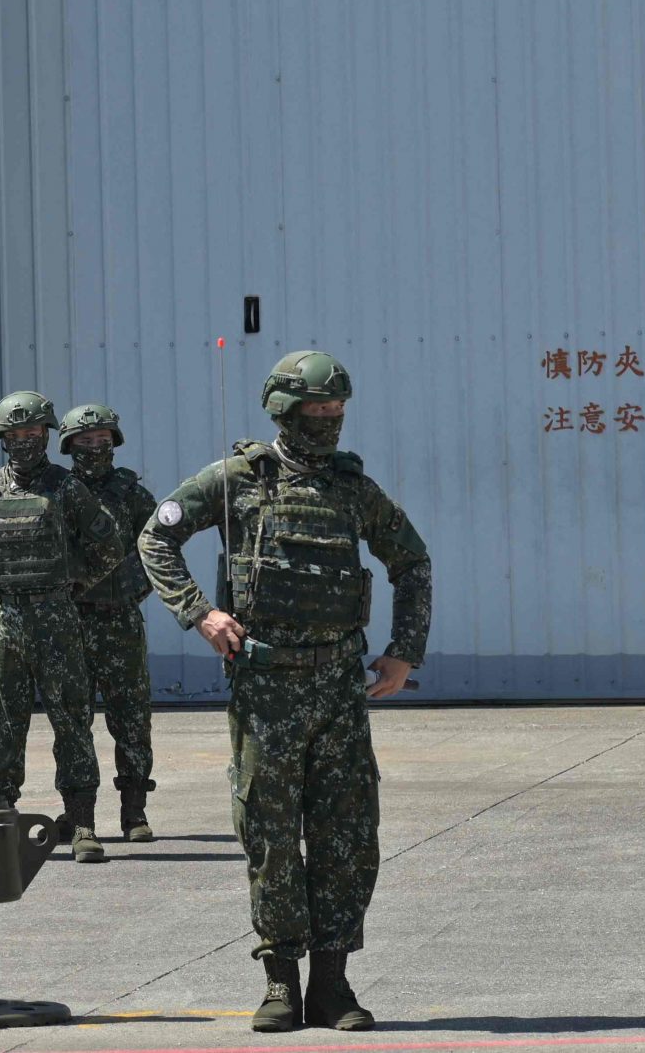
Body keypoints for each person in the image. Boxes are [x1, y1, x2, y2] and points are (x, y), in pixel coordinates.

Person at [140, 351, 431, 1034]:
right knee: (270, 835)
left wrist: (404, 650)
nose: (327, 423)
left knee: (346, 835)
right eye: (314, 412)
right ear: (282, 412)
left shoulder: (352, 488)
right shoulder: (240, 479)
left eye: (336, 412)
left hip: (336, 685)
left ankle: (333, 984)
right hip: (265, 686)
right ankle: (280, 982)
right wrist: (200, 613)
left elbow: (411, 559)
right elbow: (158, 535)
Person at [0, 390, 124, 861]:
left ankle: (84, 822)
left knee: (71, 718)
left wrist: (76, 581)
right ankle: (3, 816)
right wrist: (6, 584)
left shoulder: (67, 487)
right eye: (16, 434)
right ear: (3, 438)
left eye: (33, 432)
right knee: (4, 724)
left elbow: (109, 545)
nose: (25, 441)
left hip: (56, 620)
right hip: (5, 619)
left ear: (47, 434)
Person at [59, 402, 159, 841]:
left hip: (120, 618)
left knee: (131, 716)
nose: (95, 448)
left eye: (102, 440)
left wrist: (134, 587)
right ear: (69, 445)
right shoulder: (57, 489)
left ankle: (134, 810)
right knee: (72, 719)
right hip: (69, 619)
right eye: (85, 441)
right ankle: (80, 815)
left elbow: (157, 548)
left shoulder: (130, 493)